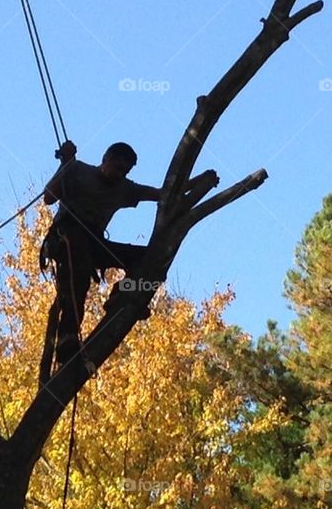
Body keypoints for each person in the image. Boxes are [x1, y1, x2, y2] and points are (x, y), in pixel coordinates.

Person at [39, 139, 218, 384]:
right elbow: (49, 197)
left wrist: (201, 181)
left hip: (94, 243)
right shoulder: (79, 170)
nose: (119, 174)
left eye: (124, 171)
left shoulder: (124, 188)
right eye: (116, 167)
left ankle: (123, 293)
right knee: (77, 282)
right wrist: (66, 163)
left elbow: (162, 194)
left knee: (147, 258)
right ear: (105, 159)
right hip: (66, 237)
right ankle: (67, 341)